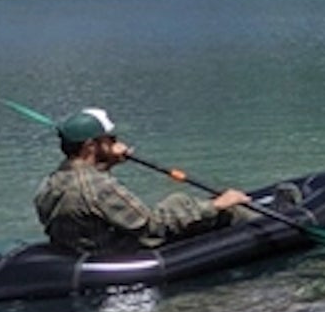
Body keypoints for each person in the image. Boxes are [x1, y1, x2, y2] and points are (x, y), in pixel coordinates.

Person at [34, 107, 251, 254]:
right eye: (111, 140)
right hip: (120, 253)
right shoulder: (100, 186)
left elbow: (91, 201)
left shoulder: (51, 183)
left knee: (177, 201)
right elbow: (151, 227)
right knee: (197, 206)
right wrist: (215, 205)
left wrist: (109, 160)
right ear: (91, 146)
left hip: (86, 249)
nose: (118, 144)